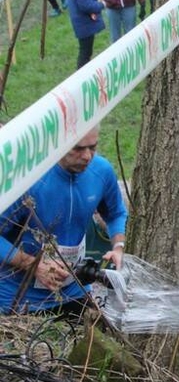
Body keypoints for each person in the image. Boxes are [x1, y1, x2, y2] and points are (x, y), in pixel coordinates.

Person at [0, 127, 128, 315]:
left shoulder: (101, 171)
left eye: (93, 147)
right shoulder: (27, 180)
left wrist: (118, 246)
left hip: (73, 290)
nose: (87, 156)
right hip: (16, 298)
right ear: (56, 144)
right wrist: (33, 265)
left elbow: (115, 213)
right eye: (78, 148)